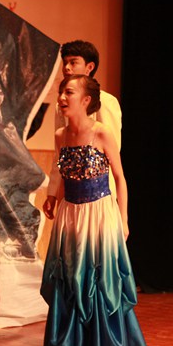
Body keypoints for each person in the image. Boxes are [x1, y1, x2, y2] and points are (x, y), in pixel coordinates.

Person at [40, 74, 147, 346]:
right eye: (62, 92)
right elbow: (62, 172)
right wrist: (53, 197)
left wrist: (123, 219)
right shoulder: (60, 135)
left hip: (99, 214)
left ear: (86, 100)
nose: (62, 97)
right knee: (69, 280)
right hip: (70, 215)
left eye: (69, 92)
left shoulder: (101, 133)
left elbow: (120, 178)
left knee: (98, 282)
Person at [43, 40, 122, 220]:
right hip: (69, 190)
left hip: (99, 193)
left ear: (89, 67)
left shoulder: (106, 102)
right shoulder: (61, 105)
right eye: (65, 63)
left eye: (73, 62)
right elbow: (60, 153)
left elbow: (113, 150)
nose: (67, 68)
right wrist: (52, 192)